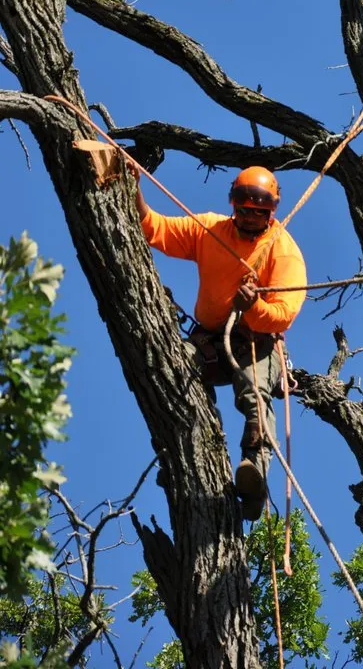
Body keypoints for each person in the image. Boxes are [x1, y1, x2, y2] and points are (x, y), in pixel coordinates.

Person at [130, 164, 307, 520]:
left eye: (260, 212)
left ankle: (253, 476)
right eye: (244, 210)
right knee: (174, 363)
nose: (252, 218)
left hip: (255, 342)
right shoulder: (211, 229)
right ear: (233, 206)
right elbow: (155, 228)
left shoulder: (282, 251)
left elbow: (284, 313)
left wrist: (253, 305)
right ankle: (178, 448)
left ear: (273, 210)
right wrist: (133, 188)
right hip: (209, 340)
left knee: (253, 395)